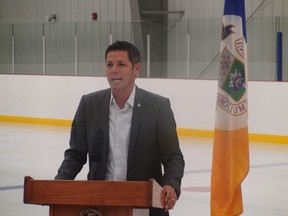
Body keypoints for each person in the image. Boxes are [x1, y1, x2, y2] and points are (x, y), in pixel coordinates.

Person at [55, 40, 185, 216]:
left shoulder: (158, 106)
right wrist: (59, 183)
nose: (113, 70)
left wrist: (171, 184)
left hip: (143, 204)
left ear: (136, 69)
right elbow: (76, 154)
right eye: (109, 65)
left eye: (121, 64)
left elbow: (173, 157)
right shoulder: (89, 104)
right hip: (99, 205)